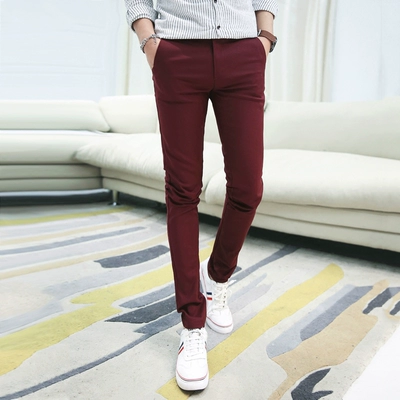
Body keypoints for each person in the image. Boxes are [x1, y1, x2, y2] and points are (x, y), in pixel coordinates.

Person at [124, 0, 278, 391]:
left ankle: (217, 275)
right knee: (182, 191)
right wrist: (150, 43)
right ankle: (192, 325)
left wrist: (264, 38)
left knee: (248, 188)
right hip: (177, 53)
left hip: (243, 52)